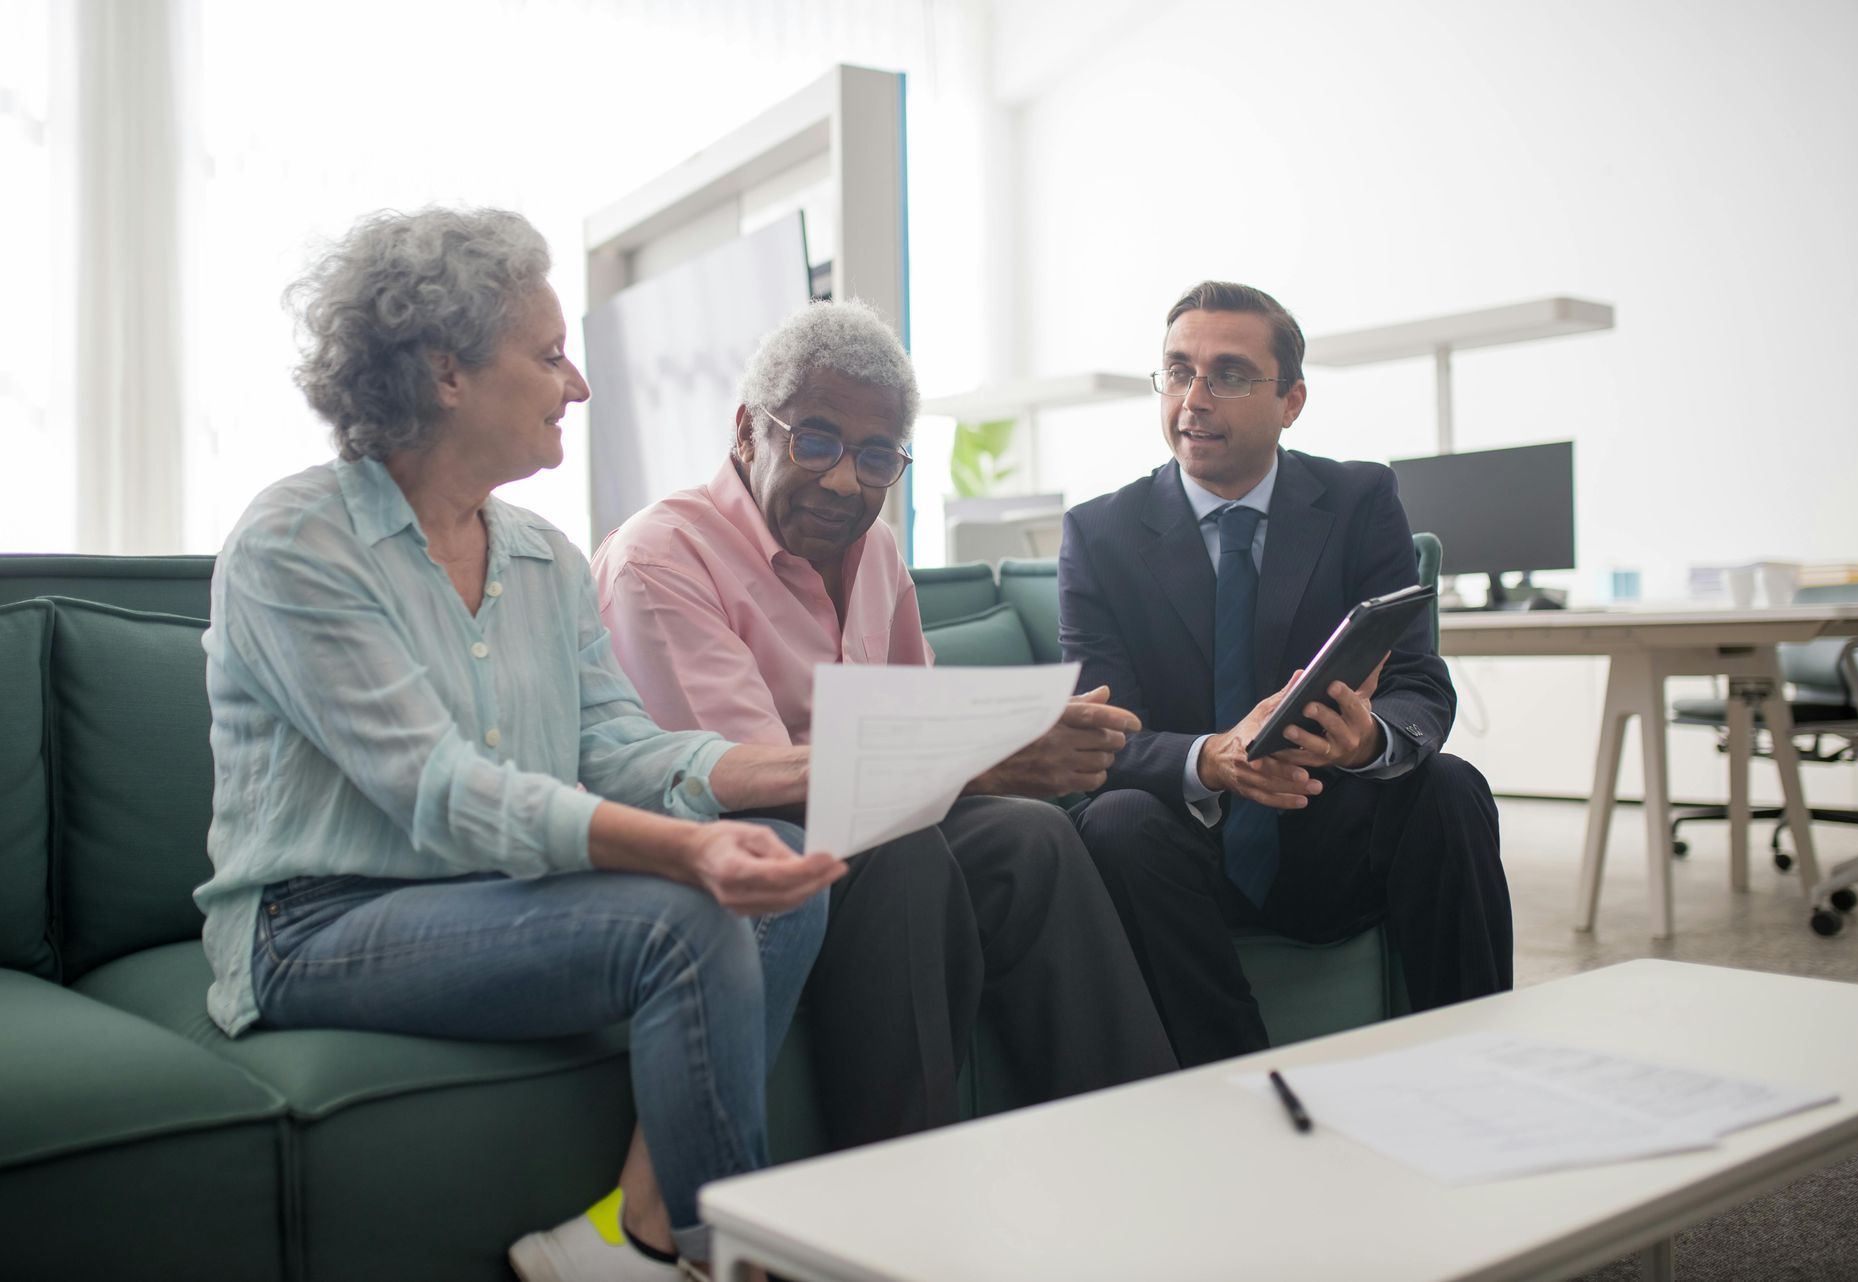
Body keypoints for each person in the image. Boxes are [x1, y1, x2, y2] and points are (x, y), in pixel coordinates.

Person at [196, 206, 844, 1282]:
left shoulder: (542, 555)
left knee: (787, 878)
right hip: (317, 922)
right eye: (548, 356)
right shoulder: (293, 542)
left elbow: (621, 746)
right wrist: (682, 851)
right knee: (689, 914)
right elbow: (441, 786)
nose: (576, 385)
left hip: (490, 893)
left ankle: (627, 1239)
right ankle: (727, 1259)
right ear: (447, 372)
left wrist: (805, 770)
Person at [591, 299, 1178, 1151]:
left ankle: (1141, 1145)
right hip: (739, 850)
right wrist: (993, 757)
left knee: (1033, 839)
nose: (844, 482)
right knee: (901, 852)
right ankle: (898, 1187)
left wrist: (1012, 740)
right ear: (749, 429)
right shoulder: (661, 558)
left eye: (876, 458)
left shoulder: (877, 552)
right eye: (817, 441)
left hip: (867, 826)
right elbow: (749, 779)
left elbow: (918, 716)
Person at [1059, 280, 1513, 1069]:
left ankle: (1476, 1066)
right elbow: (1098, 739)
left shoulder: (1359, 498)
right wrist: (1210, 759)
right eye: (1177, 372)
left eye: (1228, 375)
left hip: (1332, 830)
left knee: (1452, 787)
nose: (1194, 399)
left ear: (1291, 400)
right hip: (1181, 854)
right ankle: (1240, 1090)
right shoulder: (1099, 534)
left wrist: (1367, 739)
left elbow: (1420, 686)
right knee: (1117, 821)